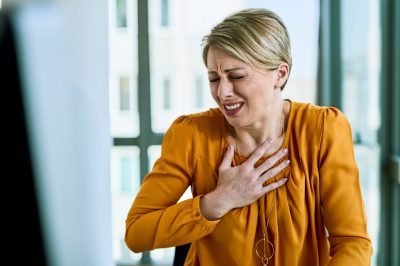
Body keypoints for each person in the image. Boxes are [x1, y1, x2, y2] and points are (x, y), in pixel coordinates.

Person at [125, 8, 372, 265]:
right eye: (213, 78)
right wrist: (219, 200)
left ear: (280, 74)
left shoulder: (323, 130)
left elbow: (352, 243)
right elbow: (136, 233)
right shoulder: (191, 135)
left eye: (237, 76)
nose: (223, 92)